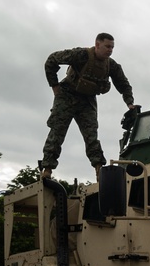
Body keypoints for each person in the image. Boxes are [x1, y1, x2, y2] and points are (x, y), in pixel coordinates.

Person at [40, 33, 135, 180]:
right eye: (107, 46)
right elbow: (52, 60)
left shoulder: (111, 65)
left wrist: (129, 102)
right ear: (97, 45)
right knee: (57, 131)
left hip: (87, 100)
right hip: (67, 96)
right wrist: (55, 86)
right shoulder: (81, 55)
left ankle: (99, 169)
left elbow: (123, 84)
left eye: (112, 47)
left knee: (91, 135)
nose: (110, 50)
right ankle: (47, 168)